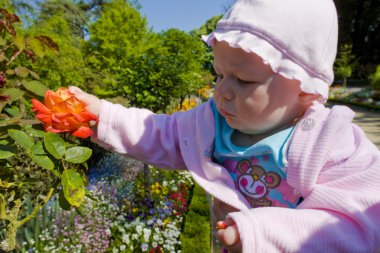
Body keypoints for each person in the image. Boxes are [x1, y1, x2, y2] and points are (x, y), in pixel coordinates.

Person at [69, 0, 380, 252]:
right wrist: (104, 116)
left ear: (306, 87)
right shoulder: (210, 123)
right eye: (219, 75)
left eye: (244, 80)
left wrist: (259, 232)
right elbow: (160, 131)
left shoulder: (332, 142)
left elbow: (357, 223)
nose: (222, 91)